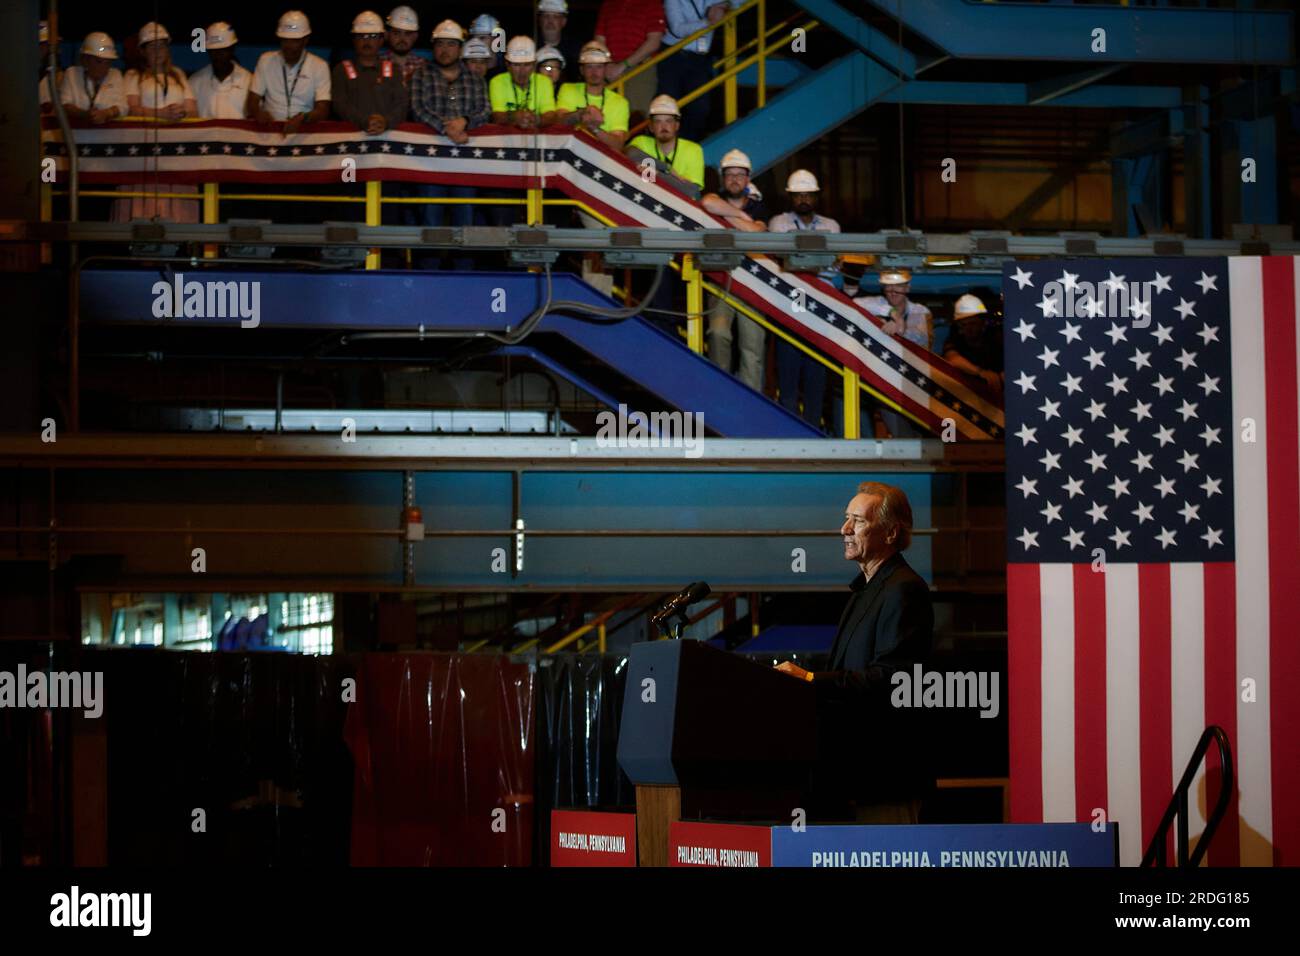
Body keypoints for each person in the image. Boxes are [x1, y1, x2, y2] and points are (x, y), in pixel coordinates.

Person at [776, 481, 934, 823]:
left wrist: (810, 679)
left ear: (891, 533)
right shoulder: (867, 590)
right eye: (847, 518)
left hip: (885, 778)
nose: (844, 529)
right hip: (852, 778)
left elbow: (895, 678)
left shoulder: (904, 589)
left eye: (858, 521)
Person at [409, 19, 490, 265]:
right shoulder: (421, 75)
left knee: (465, 221)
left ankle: (464, 277)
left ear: (460, 47)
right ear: (433, 47)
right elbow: (416, 109)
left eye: (451, 44)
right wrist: (448, 128)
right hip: (429, 165)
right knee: (430, 222)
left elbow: (485, 111)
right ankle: (428, 278)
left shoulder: (475, 79)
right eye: (440, 44)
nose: (445, 49)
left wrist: (465, 121)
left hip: (465, 165)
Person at [768, 169, 839, 430]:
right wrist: (814, 263)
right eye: (798, 195)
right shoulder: (779, 223)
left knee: (816, 376)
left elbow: (833, 268)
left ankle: (812, 432)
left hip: (820, 308)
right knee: (787, 373)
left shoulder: (831, 226)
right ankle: (788, 432)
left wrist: (798, 263)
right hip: (790, 305)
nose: (804, 199)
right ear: (790, 197)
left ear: (816, 196)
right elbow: (781, 262)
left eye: (808, 194)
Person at [115, 23, 199, 223]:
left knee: (176, 200)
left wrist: (181, 113)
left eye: (162, 46)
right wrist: (160, 114)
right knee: (143, 200)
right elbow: (131, 108)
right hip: (144, 153)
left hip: (176, 153)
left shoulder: (178, 75)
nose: (158, 51)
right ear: (142, 51)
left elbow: (193, 109)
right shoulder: (133, 76)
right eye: (152, 46)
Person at [699, 149, 767, 391]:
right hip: (721, 280)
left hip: (752, 283)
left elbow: (758, 232)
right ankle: (720, 389)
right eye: (730, 174)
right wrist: (740, 216)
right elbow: (707, 202)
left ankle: (752, 399)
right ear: (723, 178)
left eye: (740, 175)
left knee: (752, 346)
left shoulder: (759, 206)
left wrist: (726, 217)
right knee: (717, 333)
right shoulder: (714, 198)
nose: (735, 179)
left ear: (748, 179)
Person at [660, 0, 738, 141]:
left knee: (700, 108)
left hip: (699, 58)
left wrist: (725, 5)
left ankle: (684, 144)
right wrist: (708, 22)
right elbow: (678, 29)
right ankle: (666, 146)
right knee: (668, 105)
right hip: (673, 56)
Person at [247, 10, 331, 133]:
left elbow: (323, 109)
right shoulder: (265, 60)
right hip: (270, 129)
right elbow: (252, 100)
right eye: (285, 40)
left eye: (295, 40)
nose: (289, 46)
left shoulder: (319, 66)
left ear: (306, 40)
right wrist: (258, 112)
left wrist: (304, 118)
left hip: (304, 129)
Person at [332, 11, 408, 134]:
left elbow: (402, 105)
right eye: (361, 36)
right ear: (354, 39)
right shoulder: (341, 70)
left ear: (381, 40)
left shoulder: (394, 69)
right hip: (352, 140)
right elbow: (340, 105)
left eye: (372, 36)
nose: (366, 42)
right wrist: (364, 121)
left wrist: (385, 122)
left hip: (388, 141)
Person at [594, 0, 666, 116]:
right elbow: (599, 38)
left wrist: (622, 65)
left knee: (635, 117)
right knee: (602, 115)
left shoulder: (652, 3)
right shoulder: (609, 3)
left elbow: (654, 42)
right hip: (609, 68)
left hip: (640, 68)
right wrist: (609, 63)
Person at [556, 41, 630, 150]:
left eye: (599, 67)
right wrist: (581, 114)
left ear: (606, 69)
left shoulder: (620, 102)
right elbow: (559, 122)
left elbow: (618, 144)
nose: (594, 72)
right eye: (589, 67)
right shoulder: (568, 89)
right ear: (582, 70)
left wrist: (594, 128)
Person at [626, 94, 703, 189]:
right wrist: (667, 169)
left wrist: (657, 174)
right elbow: (630, 153)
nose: (664, 126)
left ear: (677, 125)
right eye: (658, 121)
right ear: (651, 127)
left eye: (669, 121)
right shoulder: (641, 141)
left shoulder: (693, 149)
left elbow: (691, 190)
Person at [942, 292, 1004, 400]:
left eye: (973, 323)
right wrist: (981, 373)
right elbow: (952, 358)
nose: (969, 328)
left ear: (982, 322)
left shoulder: (996, 337)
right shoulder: (955, 338)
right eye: (964, 324)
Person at [855, 268, 933, 351]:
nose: (893, 292)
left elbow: (922, 343)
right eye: (888, 286)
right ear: (884, 289)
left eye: (899, 285)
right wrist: (893, 313)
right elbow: (856, 303)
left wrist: (899, 331)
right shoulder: (879, 302)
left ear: (907, 288)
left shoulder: (920, 310)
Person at [59, 32, 128, 125]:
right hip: (77, 135)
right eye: (99, 61)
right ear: (85, 59)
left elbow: (123, 107)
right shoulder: (71, 74)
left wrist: (107, 113)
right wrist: (85, 115)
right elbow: (64, 105)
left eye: (108, 62)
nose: (104, 67)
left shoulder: (115, 75)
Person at [489, 37, 558, 128]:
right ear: (507, 65)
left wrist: (538, 120)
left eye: (527, 65)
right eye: (516, 65)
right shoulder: (497, 81)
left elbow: (551, 114)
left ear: (534, 65)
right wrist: (514, 117)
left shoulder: (544, 82)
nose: (522, 71)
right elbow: (496, 116)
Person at [189, 22, 252, 119]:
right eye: (213, 50)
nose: (217, 55)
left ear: (232, 49)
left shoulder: (249, 81)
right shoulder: (195, 82)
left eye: (223, 50)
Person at [382, 6, 427, 88]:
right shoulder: (378, 64)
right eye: (396, 33)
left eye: (408, 34)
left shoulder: (424, 66)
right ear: (387, 35)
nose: (402, 39)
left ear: (415, 37)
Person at [538, 0, 583, 72]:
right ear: (540, 20)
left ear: (564, 21)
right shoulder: (532, 47)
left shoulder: (575, 49)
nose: (550, 22)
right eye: (546, 16)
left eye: (555, 17)